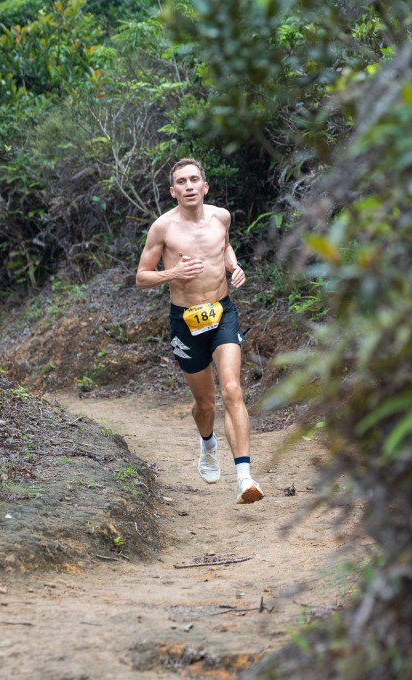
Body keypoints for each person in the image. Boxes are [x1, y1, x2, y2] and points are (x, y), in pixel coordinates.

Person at [135, 158, 263, 504]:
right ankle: (208, 443)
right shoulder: (162, 228)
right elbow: (141, 277)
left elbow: (224, 246)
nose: (189, 186)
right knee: (205, 403)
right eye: (182, 181)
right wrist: (172, 274)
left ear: (205, 187)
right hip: (186, 320)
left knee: (232, 389)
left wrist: (234, 266)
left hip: (223, 313)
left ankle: (244, 477)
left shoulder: (221, 217)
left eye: (194, 180)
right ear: (172, 191)